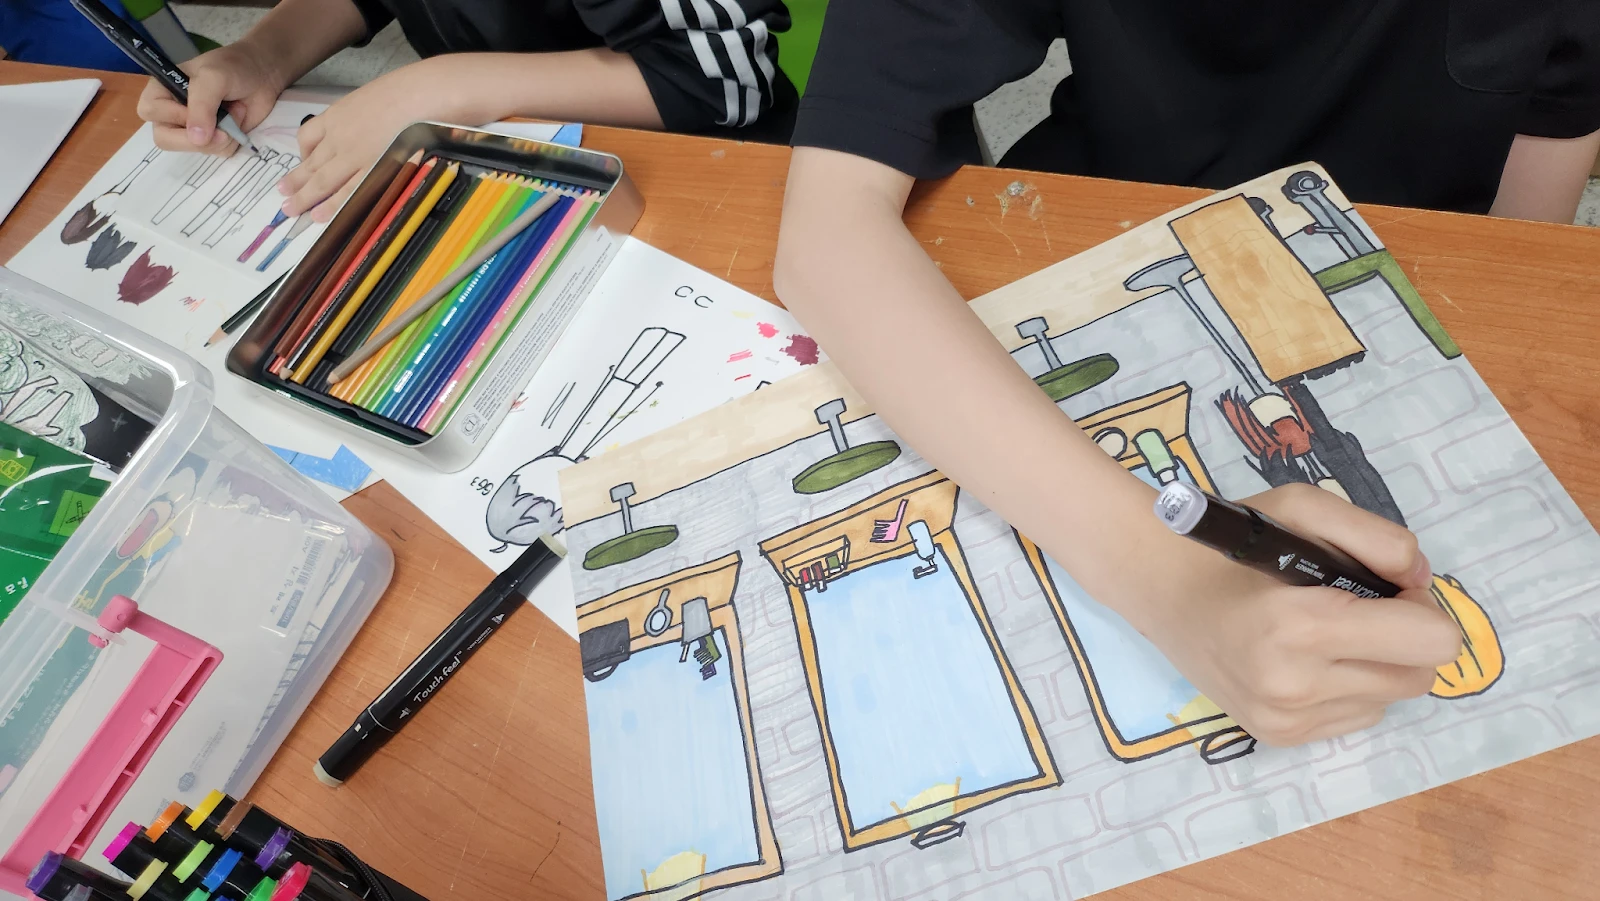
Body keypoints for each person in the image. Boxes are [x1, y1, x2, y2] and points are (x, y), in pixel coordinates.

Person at [775, 2, 1600, 747]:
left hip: (1399, 294)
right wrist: (1154, 568)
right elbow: (827, 230)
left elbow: (1531, 225)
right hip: (1084, 245)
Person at [135, 0, 794, 221]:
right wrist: (266, 53)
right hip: (502, 158)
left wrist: (449, 87)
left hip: (709, 172)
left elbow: (724, 79)